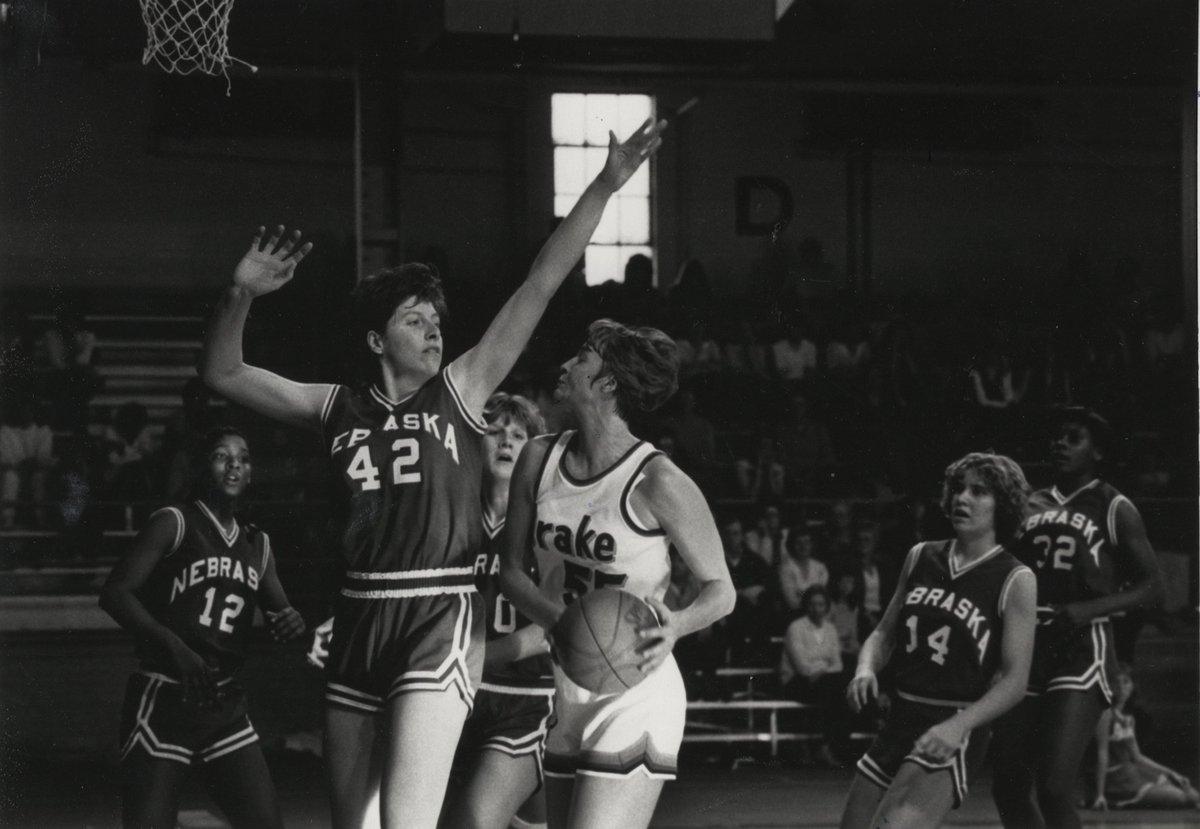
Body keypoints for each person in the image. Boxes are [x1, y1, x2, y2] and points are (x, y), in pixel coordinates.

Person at [200, 119, 665, 828]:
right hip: (359, 615)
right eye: (415, 320)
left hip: (437, 613)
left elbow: (540, 284)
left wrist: (603, 186)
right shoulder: (337, 406)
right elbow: (224, 372)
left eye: (435, 320)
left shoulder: (462, 388)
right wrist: (240, 295)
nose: (433, 330)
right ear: (374, 338)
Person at [499, 318, 735, 829]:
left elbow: (722, 591)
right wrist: (560, 622)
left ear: (608, 384)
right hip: (565, 679)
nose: (564, 365)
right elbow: (510, 572)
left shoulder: (658, 479)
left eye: (581, 357)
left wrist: (677, 624)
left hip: (636, 685)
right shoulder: (537, 458)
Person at [98, 427, 306, 829]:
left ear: (251, 474)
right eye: (221, 456)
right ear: (201, 467)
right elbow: (115, 594)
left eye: (243, 458)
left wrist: (293, 620)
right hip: (165, 697)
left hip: (221, 703)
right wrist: (176, 648)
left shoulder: (258, 544)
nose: (233, 465)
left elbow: (284, 616)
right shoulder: (174, 522)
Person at [840, 452, 1037, 829]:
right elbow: (884, 632)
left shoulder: (1015, 578)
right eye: (959, 489)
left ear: (1004, 505)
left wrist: (958, 726)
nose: (963, 498)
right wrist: (865, 669)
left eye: (979, 491)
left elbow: (1015, 682)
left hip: (955, 723)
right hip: (900, 718)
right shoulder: (921, 556)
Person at [990, 407, 1164, 829]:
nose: (1060, 444)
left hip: (1081, 648)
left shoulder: (1113, 505)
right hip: (1028, 645)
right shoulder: (1027, 503)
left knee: (1053, 785)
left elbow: (1153, 587)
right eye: (1057, 437)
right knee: (1008, 785)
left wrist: (1091, 608)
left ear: (1098, 452)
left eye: (1074, 438)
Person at [444, 393, 555, 829]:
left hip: (523, 699)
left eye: (518, 435)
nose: (506, 442)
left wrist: (479, 657)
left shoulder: (548, 525)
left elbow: (556, 625)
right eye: (494, 432)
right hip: (454, 698)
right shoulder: (449, 518)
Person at [1091, 664, 1200, 810]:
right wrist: (1099, 794)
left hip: (1132, 772)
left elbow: (1137, 757)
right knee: (1180, 798)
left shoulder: (1128, 719)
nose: (1122, 686)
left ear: (1132, 686)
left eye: (1126, 682)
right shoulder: (1106, 714)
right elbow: (1101, 753)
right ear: (1110, 686)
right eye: (1117, 682)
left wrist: (1172, 773)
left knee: (1193, 794)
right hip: (1115, 780)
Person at [780, 584, 847, 766]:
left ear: (826, 607)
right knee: (833, 689)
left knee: (836, 687)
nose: (816, 609)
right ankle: (823, 746)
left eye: (820, 604)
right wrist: (824, 666)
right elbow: (802, 667)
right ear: (806, 606)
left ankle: (827, 745)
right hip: (796, 682)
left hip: (823, 682)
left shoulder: (831, 629)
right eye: (812, 604)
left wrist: (821, 670)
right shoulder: (796, 628)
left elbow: (838, 664)